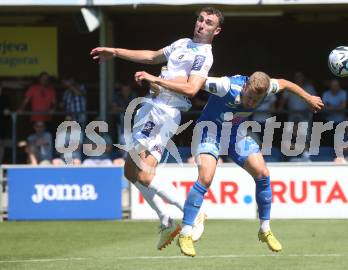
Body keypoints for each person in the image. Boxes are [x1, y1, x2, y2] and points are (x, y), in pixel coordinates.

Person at [136, 71, 323, 256]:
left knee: (263, 173)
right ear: (246, 86)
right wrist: (156, 80)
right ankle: (186, 232)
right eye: (249, 97)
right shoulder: (225, 86)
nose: (251, 103)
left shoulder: (267, 88)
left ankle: (265, 229)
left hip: (235, 134)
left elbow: (284, 82)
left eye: (255, 101)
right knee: (205, 178)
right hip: (209, 132)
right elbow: (194, 83)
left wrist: (308, 98)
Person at [90, 7, 223, 250]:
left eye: (209, 23)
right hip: (152, 108)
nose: (202, 24)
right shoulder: (183, 43)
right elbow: (152, 56)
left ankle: (191, 211)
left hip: (164, 113)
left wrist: (155, 79)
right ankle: (165, 220)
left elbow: (192, 89)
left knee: (143, 174)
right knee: (130, 171)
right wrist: (116, 51)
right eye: (200, 19)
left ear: (217, 30)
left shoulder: (204, 55)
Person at [0, 84, 11, 164]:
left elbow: (8, 112)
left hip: (2, 126)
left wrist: (7, 112)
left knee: (1, 145)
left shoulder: (5, 98)